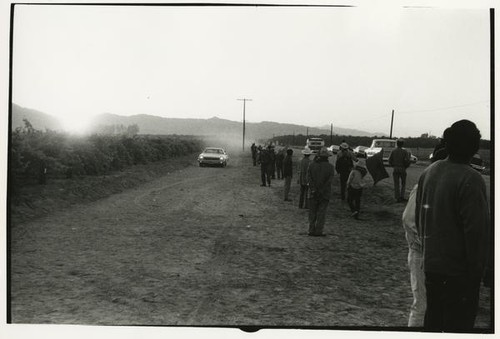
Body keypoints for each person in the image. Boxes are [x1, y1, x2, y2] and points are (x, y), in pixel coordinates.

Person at [415, 120, 490, 332]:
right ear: (475, 148)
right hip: (460, 274)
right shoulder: (471, 179)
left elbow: (420, 219)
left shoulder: (429, 172)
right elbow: (476, 234)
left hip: (432, 267)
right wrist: (478, 273)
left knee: (434, 321)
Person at [402, 184, 426, 327]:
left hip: (441, 256)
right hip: (421, 253)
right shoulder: (422, 186)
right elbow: (409, 220)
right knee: (422, 305)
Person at [307, 146, 335, 236]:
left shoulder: (311, 165)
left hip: (312, 193)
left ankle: (311, 230)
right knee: (321, 213)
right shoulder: (330, 167)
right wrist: (322, 190)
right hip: (324, 194)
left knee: (312, 213)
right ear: (327, 157)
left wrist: (314, 189)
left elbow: (309, 179)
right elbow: (329, 181)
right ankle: (319, 231)